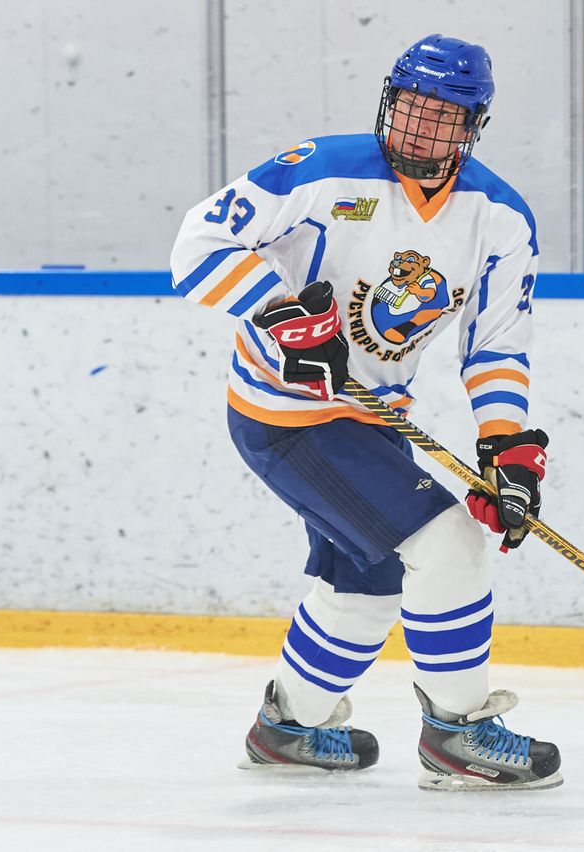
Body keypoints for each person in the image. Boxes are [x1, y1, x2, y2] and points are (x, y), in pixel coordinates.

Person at [169, 34, 561, 791]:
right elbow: (198, 244)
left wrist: (505, 449)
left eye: (442, 115)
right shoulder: (321, 169)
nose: (420, 126)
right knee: (448, 544)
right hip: (285, 415)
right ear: (389, 101)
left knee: (370, 577)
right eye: (410, 107)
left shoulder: (500, 218)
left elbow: (495, 345)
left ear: (473, 126)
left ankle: (288, 730)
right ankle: (457, 732)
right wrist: (283, 315)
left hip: (371, 417)